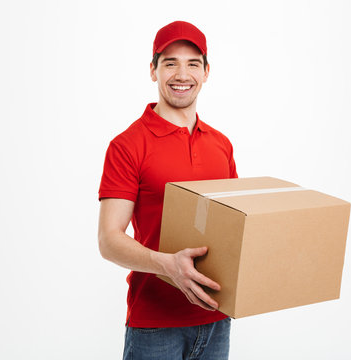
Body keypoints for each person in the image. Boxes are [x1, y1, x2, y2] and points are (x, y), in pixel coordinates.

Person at [97, 21, 237, 360]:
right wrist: (166, 265)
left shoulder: (221, 145)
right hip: (155, 326)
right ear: (153, 70)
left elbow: (236, 228)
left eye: (192, 63)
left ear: (206, 72)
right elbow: (108, 240)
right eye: (170, 62)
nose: (181, 74)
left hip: (218, 318)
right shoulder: (127, 145)